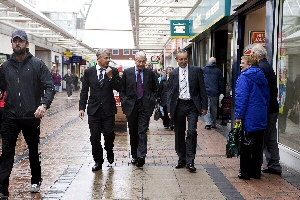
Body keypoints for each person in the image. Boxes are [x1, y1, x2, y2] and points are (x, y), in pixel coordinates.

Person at [0, 30, 55, 198]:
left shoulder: (37, 64)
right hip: (10, 116)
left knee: (33, 150)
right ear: (12, 43)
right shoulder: (5, 66)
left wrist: (44, 105)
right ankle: (2, 189)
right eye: (15, 41)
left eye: (21, 41)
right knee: (7, 151)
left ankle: (36, 180)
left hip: (31, 116)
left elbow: (50, 87)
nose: (17, 43)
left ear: (27, 44)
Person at [79, 49, 121, 171]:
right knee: (95, 137)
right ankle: (98, 161)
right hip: (94, 110)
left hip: (108, 110)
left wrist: (111, 77)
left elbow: (119, 87)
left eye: (109, 58)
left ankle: (109, 150)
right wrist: (82, 107)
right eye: (106, 58)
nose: (108, 60)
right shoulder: (89, 72)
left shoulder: (113, 71)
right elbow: (84, 91)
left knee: (108, 134)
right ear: (98, 58)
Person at [167, 49, 208, 172]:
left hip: (192, 105)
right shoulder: (173, 73)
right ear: (177, 60)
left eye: (185, 58)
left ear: (188, 58)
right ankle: (182, 159)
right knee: (179, 133)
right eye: (181, 59)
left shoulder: (196, 71)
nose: (183, 61)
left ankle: (190, 161)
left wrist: (204, 106)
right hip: (178, 105)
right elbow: (170, 92)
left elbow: (202, 89)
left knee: (191, 132)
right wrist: (169, 109)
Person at [120, 51, 158, 167]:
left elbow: (156, 89)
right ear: (135, 61)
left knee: (142, 130)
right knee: (133, 132)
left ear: (146, 61)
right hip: (131, 107)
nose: (141, 64)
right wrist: (124, 102)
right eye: (139, 61)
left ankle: (142, 155)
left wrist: (152, 101)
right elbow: (122, 90)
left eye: (143, 61)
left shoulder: (150, 74)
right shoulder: (127, 73)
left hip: (145, 106)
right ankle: (134, 155)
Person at [235, 54, 270, 180]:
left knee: (246, 145)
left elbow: (241, 98)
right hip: (260, 115)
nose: (240, 65)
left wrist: (239, 116)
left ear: (249, 64)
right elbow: (267, 97)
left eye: (243, 62)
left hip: (249, 116)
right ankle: (256, 172)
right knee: (257, 145)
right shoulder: (262, 76)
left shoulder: (244, 77)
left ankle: (245, 173)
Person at [251, 44, 282, 175]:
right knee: (271, 138)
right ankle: (274, 165)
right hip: (273, 107)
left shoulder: (261, 68)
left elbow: (262, 92)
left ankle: (256, 166)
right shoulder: (267, 66)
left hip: (267, 109)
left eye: (252, 54)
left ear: (257, 55)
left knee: (263, 138)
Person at [202, 57, 225, 129]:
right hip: (215, 92)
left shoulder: (204, 69)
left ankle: (208, 123)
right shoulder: (218, 71)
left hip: (206, 92)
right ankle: (213, 122)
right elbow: (221, 82)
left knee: (207, 107)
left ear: (209, 62)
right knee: (214, 108)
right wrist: (222, 92)